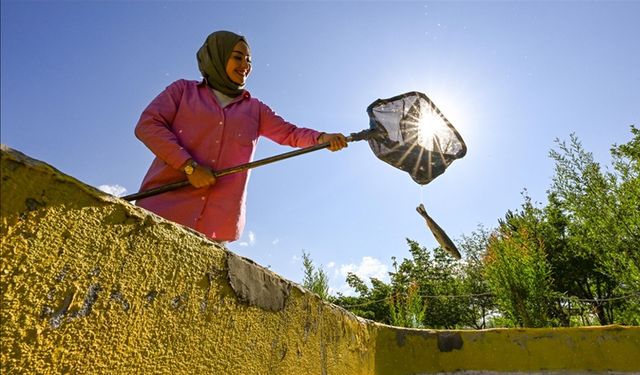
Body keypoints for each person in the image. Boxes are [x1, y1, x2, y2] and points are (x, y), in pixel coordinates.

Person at [134, 30, 347, 242]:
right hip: (161, 212)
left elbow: (290, 133)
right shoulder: (182, 91)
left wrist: (321, 138)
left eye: (249, 61)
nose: (245, 66)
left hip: (216, 229)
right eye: (238, 57)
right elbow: (148, 125)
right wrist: (189, 166)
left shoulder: (256, 109)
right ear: (217, 56)